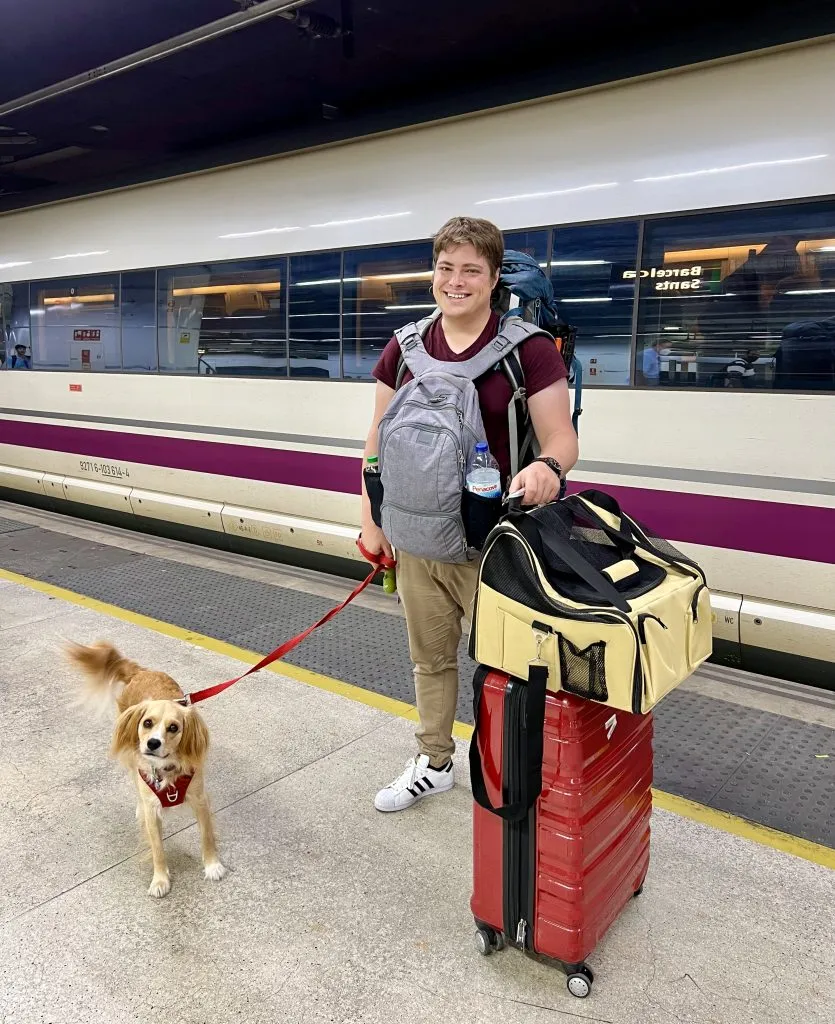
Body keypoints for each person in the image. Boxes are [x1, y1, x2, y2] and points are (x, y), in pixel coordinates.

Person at [360, 216, 579, 813]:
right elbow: (376, 444)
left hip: (497, 546)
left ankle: (506, 772)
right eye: (445, 268)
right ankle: (434, 762)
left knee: (507, 669)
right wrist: (372, 524)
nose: (455, 282)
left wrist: (549, 471)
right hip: (418, 542)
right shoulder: (403, 348)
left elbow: (561, 439)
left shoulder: (529, 352)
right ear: (434, 273)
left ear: (491, 278)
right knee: (429, 662)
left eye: (471, 271)